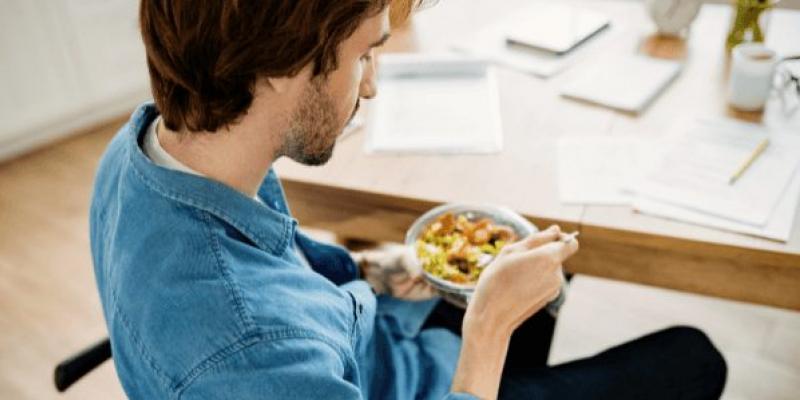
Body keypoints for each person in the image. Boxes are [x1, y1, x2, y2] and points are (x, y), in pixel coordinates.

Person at [89, 0, 727, 398]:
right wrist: (487, 332)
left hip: (386, 347)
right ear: (281, 62)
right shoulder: (253, 349)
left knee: (536, 279)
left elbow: (275, 269)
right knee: (694, 358)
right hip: (431, 381)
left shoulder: (144, 152)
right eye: (366, 54)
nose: (369, 88)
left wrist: (374, 270)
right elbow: (263, 326)